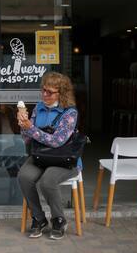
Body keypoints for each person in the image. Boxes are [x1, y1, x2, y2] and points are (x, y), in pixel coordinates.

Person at [17, 71, 80, 240]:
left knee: (47, 181)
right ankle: (39, 218)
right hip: (40, 156)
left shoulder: (70, 113)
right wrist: (23, 126)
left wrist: (30, 128)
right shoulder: (38, 107)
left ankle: (59, 220)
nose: (45, 94)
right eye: (43, 90)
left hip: (64, 160)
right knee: (24, 176)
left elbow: (57, 141)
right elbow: (27, 140)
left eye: (50, 92)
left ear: (62, 93)